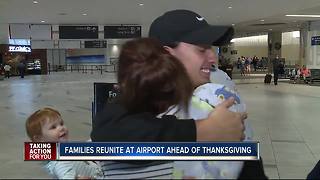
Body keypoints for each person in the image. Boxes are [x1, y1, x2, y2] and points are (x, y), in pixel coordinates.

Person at [149, 10, 266, 179]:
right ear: (167, 55)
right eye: (201, 49)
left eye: (211, 48)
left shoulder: (216, 108)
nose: (213, 58)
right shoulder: (130, 117)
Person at [26, 108, 103, 179]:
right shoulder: (59, 161)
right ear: (39, 139)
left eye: (61, 123)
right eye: (53, 127)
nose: (61, 128)